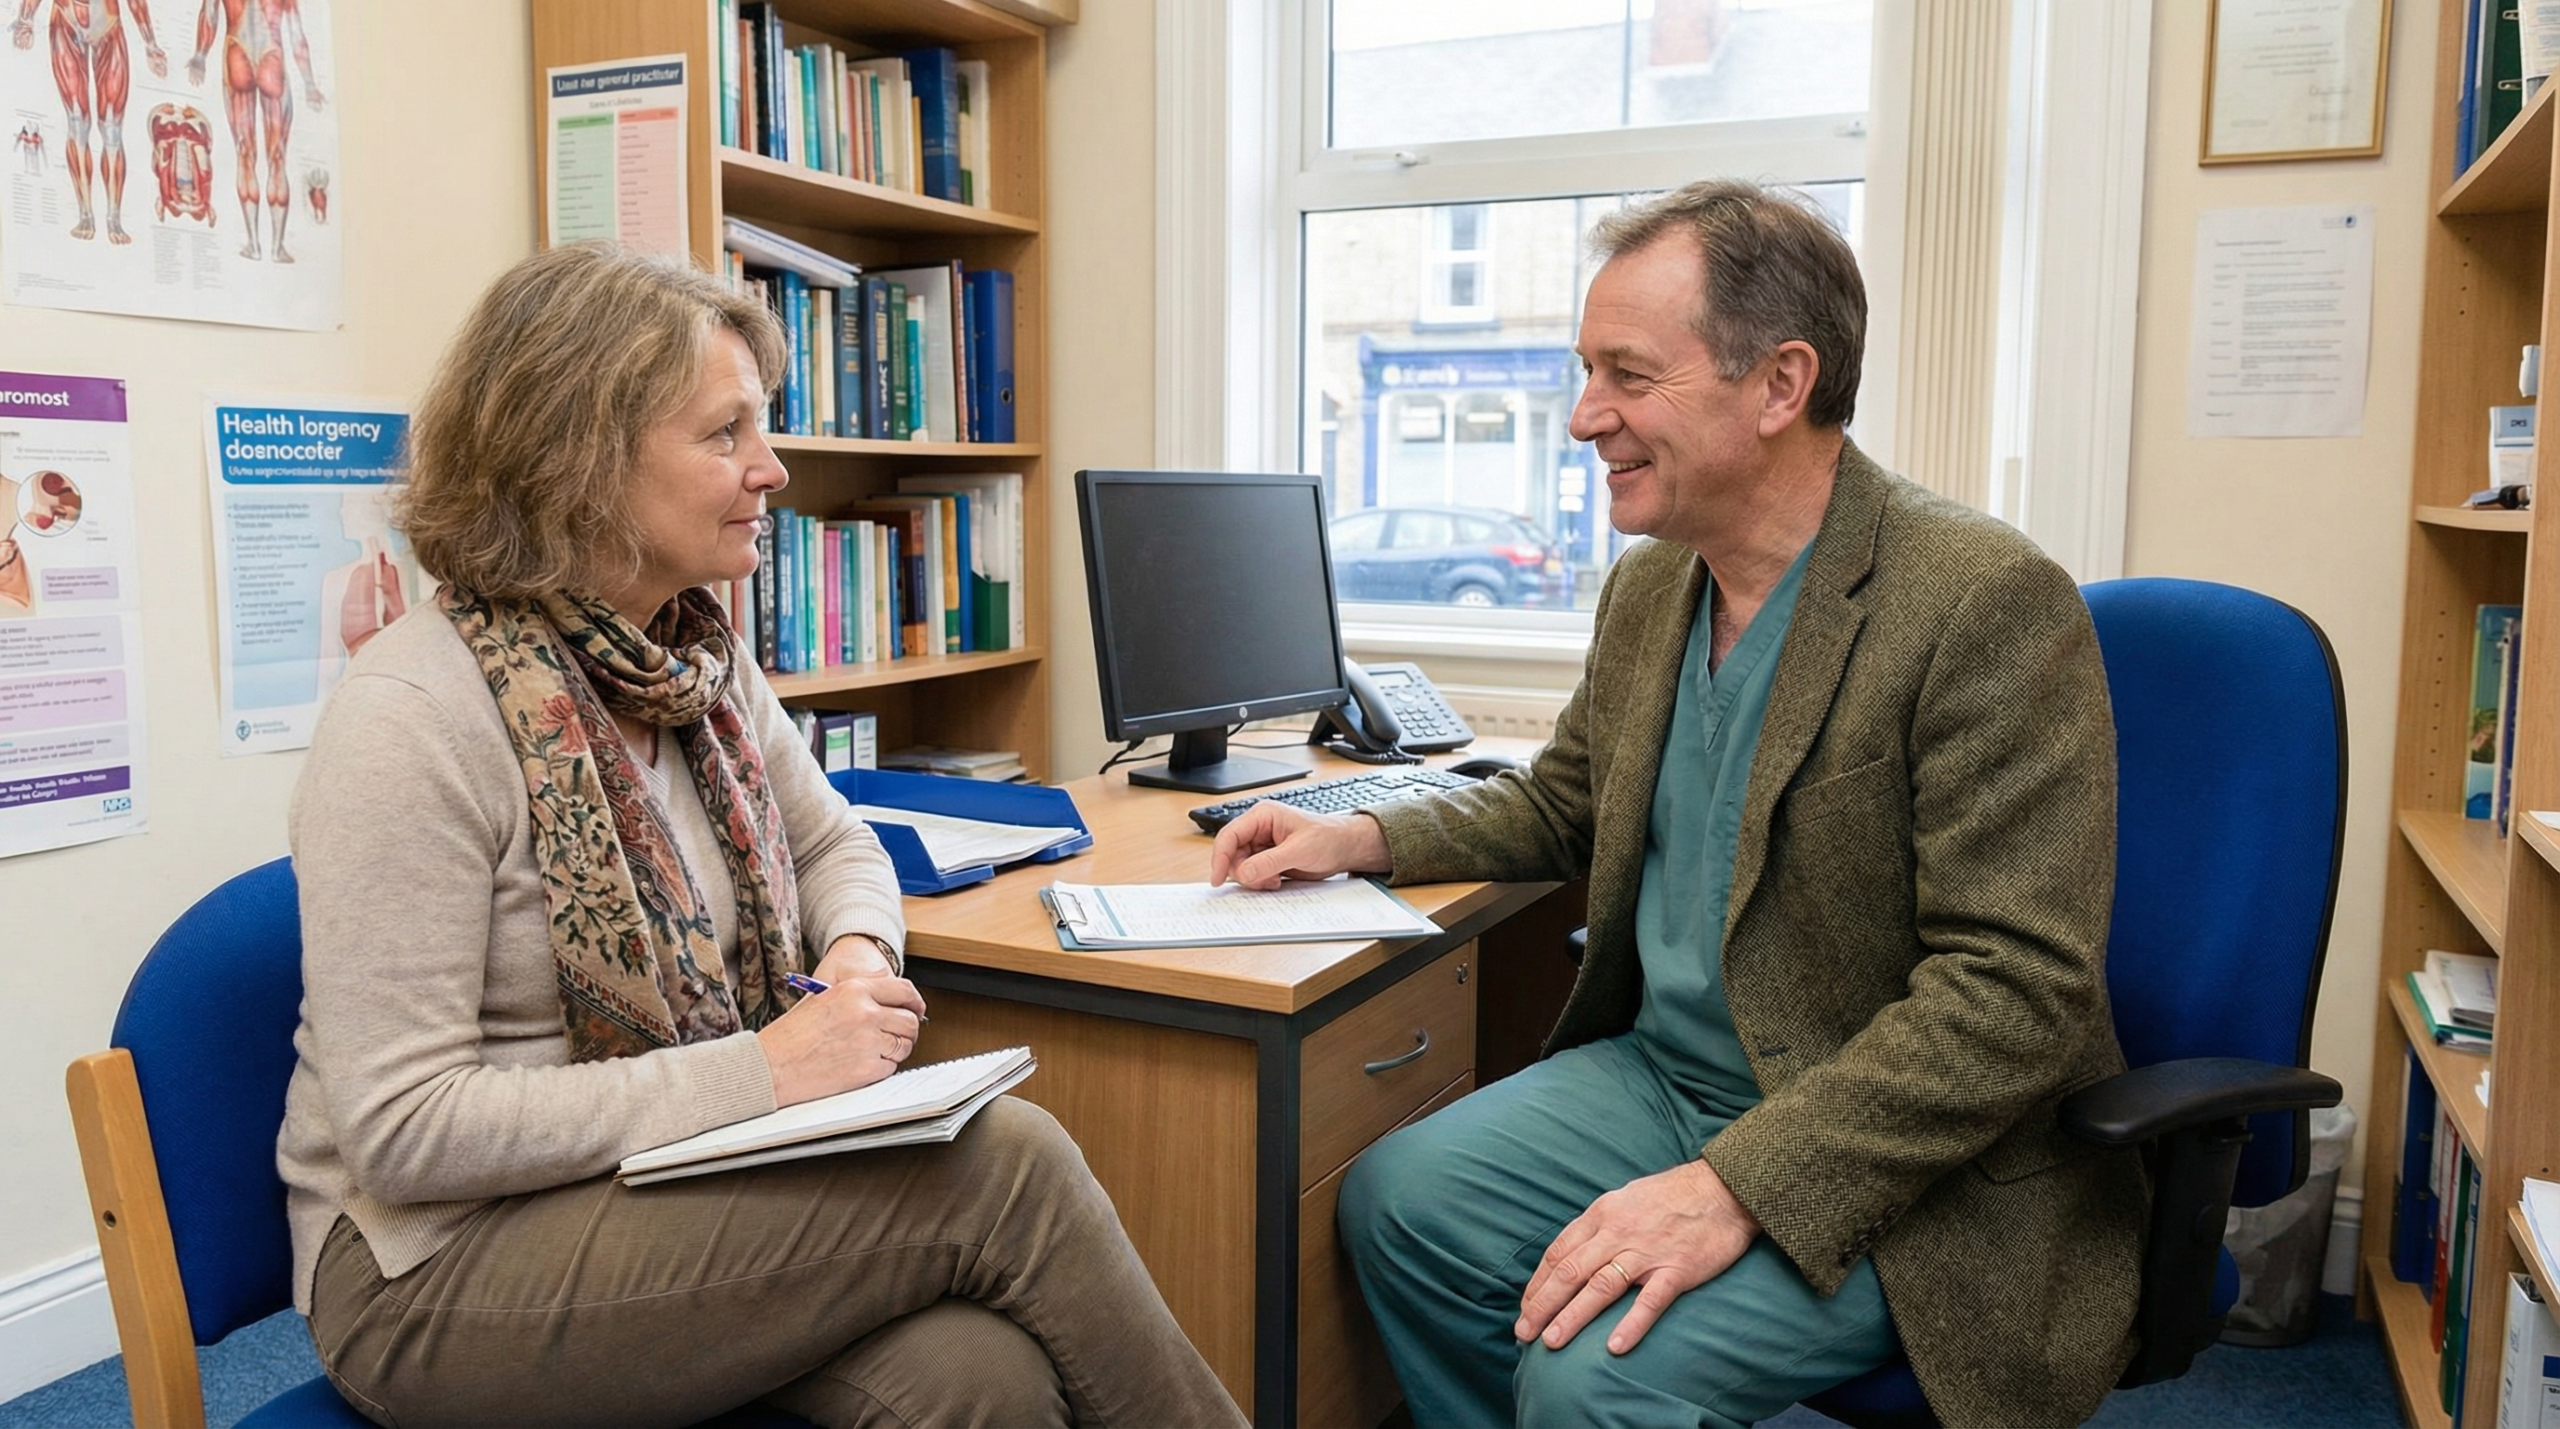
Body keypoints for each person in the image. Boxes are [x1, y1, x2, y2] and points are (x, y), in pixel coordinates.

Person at [1209, 180, 2145, 1428]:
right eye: (1584, 371)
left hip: (1911, 1150)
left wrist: (1739, 1185)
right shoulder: (1653, 589)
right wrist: (1365, 832)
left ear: (1778, 384)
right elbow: (1566, 807)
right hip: (1668, 1079)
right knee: (1402, 1204)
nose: (1584, 416)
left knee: (1596, 1373)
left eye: (1627, 376)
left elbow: (2017, 989)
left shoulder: (1979, 600)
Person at [285, 242, 1243, 1429]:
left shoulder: (695, 661)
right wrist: (773, 1068)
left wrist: (855, 963)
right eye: (725, 433)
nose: (773, 469)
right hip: (431, 1273)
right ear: (577, 459)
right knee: (1007, 1164)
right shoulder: (412, 719)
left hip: (666, 1181)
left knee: (975, 1381)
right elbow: (405, 1133)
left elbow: (840, 847)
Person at [10, 0, 166, 244]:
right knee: (77, 122)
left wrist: (151, 44)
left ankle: (113, 217)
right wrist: (26, 18)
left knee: (112, 129)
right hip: (66, 16)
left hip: (107, 20)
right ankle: (85, 214)